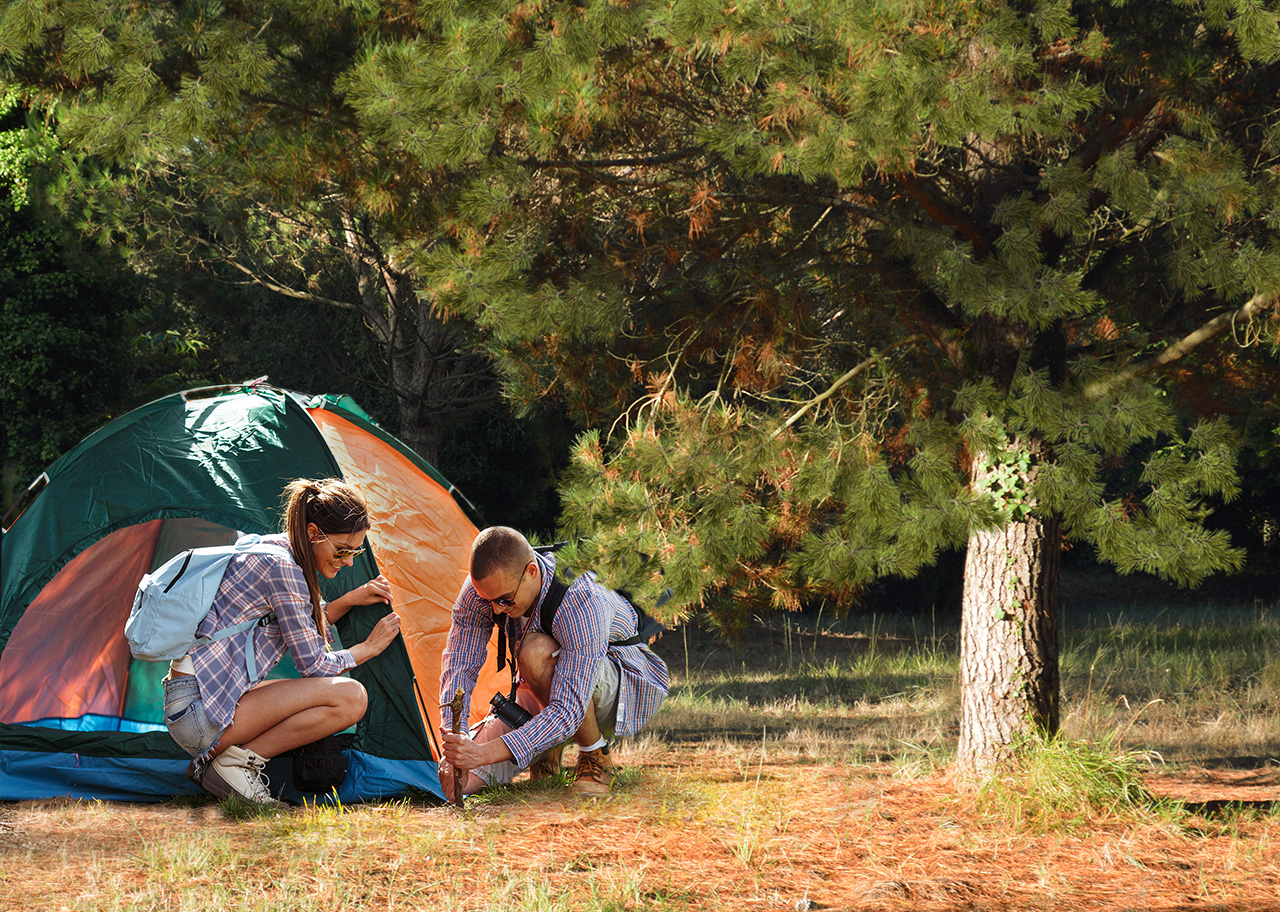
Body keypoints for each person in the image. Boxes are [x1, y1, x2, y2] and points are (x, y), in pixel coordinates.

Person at [163, 477, 402, 806]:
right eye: (343, 550)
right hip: (198, 713)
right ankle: (235, 763)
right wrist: (369, 648)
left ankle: (218, 762)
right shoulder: (283, 569)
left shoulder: (271, 548)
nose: (348, 561)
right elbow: (313, 664)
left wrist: (349, 600)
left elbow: (300, 622)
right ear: (314, 533)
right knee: (351, 697)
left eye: (355, 550)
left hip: (191, 702)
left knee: (310, 690)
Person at [439, 526, 670, 798]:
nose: (496, 610)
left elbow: (568, 710)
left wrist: (482, 753)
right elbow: (459, 666)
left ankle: (595, 757)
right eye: (489, 601)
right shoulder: (485, 591)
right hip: (546, 689)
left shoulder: (582, 598)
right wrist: (459, 738)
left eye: (504, 600)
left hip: (616, 685)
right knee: (457, 785)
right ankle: (547, 750)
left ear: (531, 572)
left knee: (535, 652)